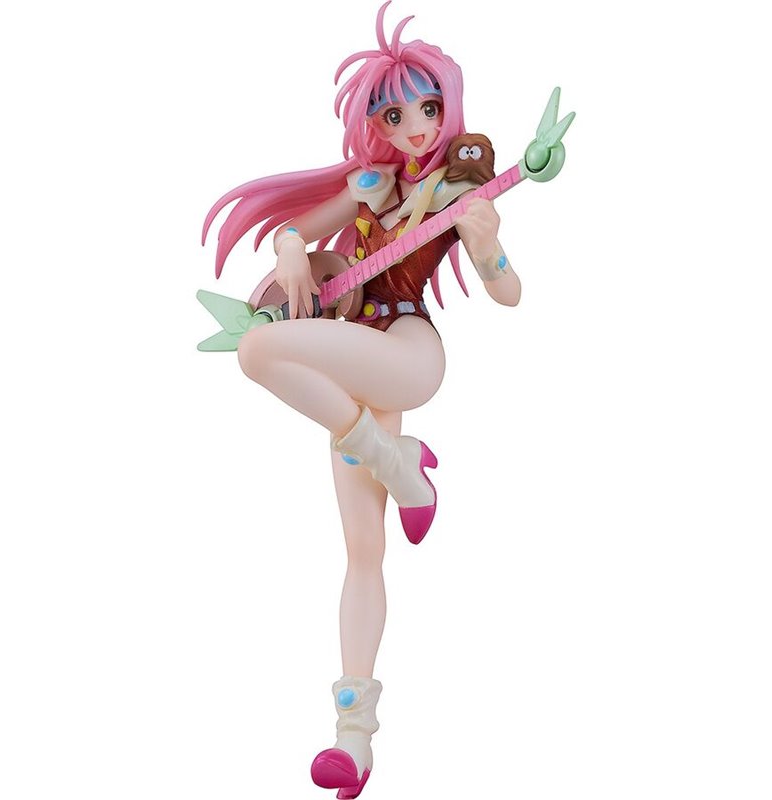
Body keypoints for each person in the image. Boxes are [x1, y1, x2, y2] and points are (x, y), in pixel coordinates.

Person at [201, 3, 570, 796]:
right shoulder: (368, 186)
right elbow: (296, 231)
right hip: (352, 351)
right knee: (363, 550)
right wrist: (293, 251)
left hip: (406, 351)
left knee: (259, 351)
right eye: (394, 114)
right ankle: (353, 739)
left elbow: (509, 293)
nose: (414, 126)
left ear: (448, 109)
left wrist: (487, 244)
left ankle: (398, 459)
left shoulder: (457, 191)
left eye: (426, 108)